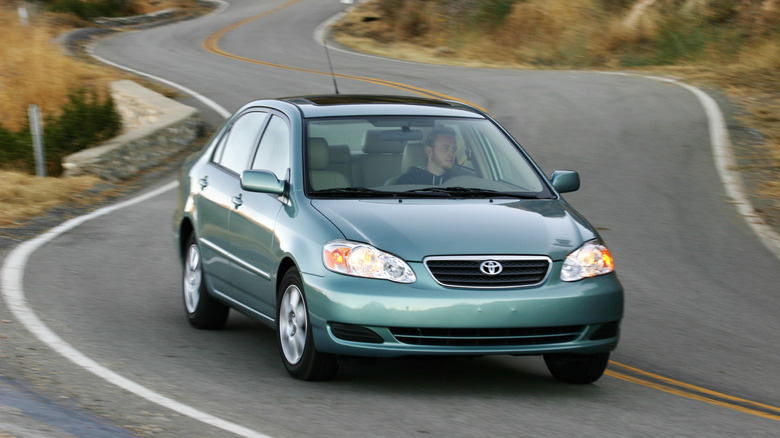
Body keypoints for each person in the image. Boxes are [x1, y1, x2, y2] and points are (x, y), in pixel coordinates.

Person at [396, 126, 474, 185]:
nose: (452, 154)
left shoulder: (460, 182)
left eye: (453, 149)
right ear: (429, 151)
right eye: (446, 148)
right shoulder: (407, 181)